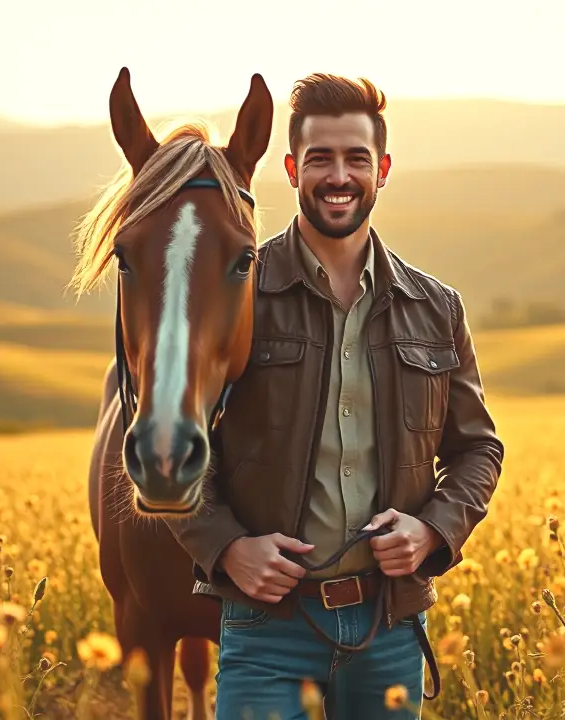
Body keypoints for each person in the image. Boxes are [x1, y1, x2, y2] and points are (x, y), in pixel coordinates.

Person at [164, 72, 505, 719]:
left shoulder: (436, 308)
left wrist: (433, 529)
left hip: (389, 624)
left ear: (383, 169)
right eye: (320, 159)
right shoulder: (234, 297)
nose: (338, 176)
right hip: (267, 629)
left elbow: (477, 449)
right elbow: (175, 442)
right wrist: (228, 546)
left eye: (356, 159)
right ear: (292, 169)